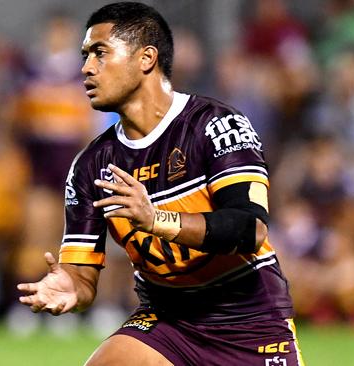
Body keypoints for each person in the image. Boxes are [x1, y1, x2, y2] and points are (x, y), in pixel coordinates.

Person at [17, 2, 304, 365]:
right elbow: (84, 277)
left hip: (245, 316)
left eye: (100, 53)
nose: (86, 68)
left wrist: (156, 220)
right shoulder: (90, 166)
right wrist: (72, 286)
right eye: (85, 55)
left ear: (146, 58)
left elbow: (250, 229)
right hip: (167, 318)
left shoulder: (214, 125)